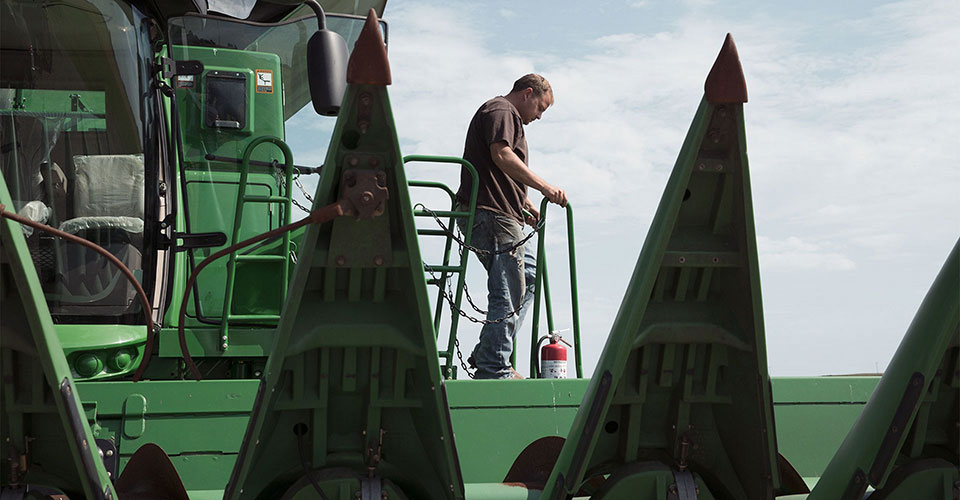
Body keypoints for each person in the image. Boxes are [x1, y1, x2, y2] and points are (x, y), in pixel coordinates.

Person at [455, 73, 568, 379]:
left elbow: (500, 170)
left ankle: (489, 351)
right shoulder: (502, 111)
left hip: (504, 213)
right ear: (527, 93)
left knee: (528, 277)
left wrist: (525, 202)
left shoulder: (506, 115)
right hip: (490, 214)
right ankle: (494, 366)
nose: (539, 116)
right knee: (508, 288)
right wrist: (545, 187)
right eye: (540, 108)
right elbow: (502, 155)